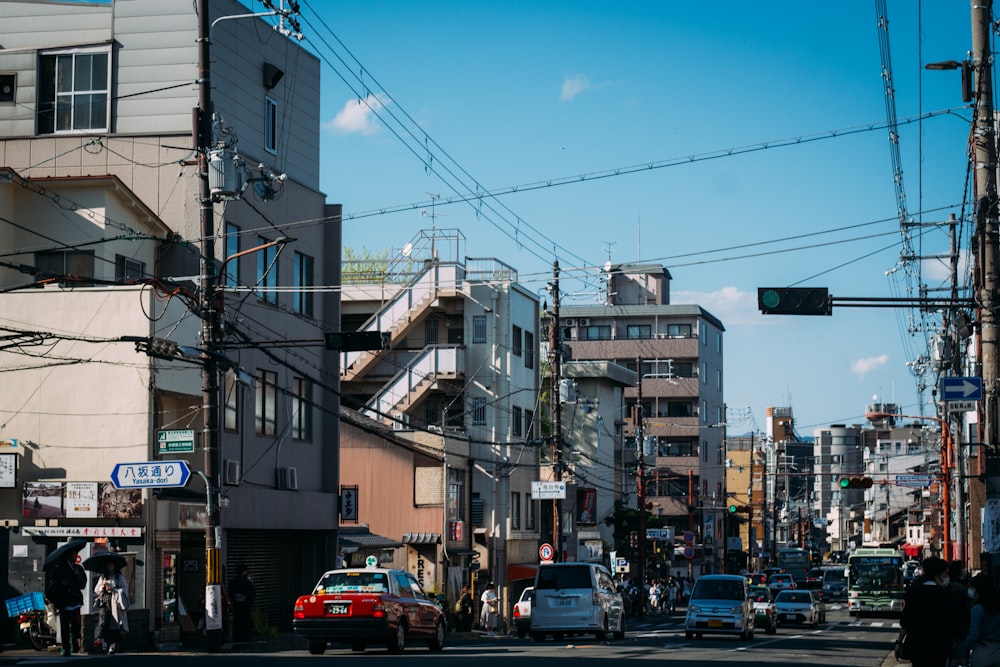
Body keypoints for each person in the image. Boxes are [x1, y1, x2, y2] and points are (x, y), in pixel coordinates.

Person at [897, 557, 961, 667]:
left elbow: (906, 621)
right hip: (939, 646)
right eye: (945, 573)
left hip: (917, 645)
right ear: (938, 574)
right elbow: (953, 622)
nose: (947, 576)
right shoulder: (945, 595)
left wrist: (899, 642)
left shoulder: (915, 592)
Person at [953, 573, 1000, 667]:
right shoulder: (996, 606)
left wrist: (960, 651)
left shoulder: (977, 609)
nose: (970, 590)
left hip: (982, 649)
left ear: (978, 589)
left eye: (972, 587)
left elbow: (973, 634)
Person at [45, 552, 87, 656]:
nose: (75, 556)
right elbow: (54, 583)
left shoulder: (78, 568)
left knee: (76, 624)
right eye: (73, 554)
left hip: (75, 600)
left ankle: (75, 641)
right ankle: (66, 646)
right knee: (64, 626)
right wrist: (63, 583)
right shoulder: (59, 569)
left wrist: (77, 576)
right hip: (63, 600)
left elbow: (82, 584)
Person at [93, 559, 129, 654]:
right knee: (103, 624)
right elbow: (96, 589)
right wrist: (103, 587)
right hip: (105, 603)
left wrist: (113, 589)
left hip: (114, 604)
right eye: (108, 564)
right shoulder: (103, 577)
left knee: (114, 625)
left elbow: (124, 590)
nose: (109, 566)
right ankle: (104, 644)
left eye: (111, 564)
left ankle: (113, 645)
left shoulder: (118, 578)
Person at [228, 563, 256, 643]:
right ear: (244, 572)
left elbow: (230, 593)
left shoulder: (233, 581)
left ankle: (236, 637)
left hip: (236, 605)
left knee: (237, 621)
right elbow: (252, 593)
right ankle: (245, 637)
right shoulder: (247, 581)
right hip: (246, 605)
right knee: (245, 622)